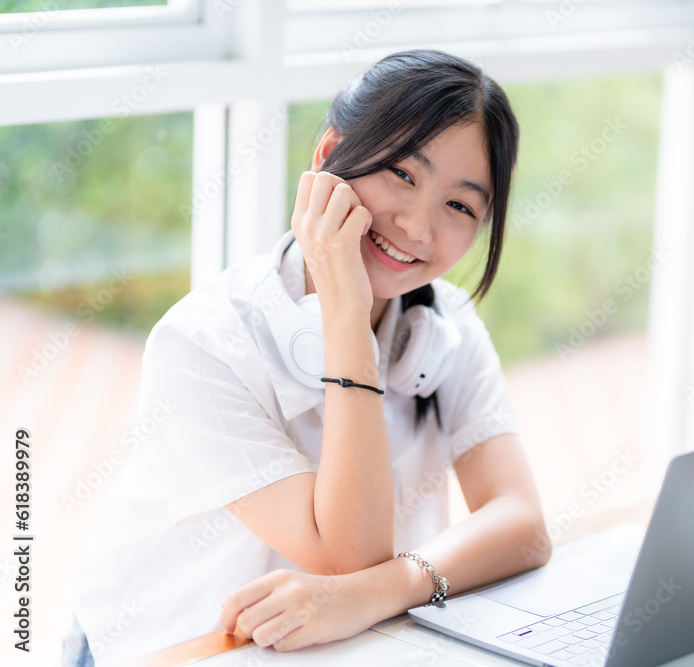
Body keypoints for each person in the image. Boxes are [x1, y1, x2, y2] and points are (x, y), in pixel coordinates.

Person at [67, 49, 551, 666]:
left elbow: (523, 524)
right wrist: (346, 313)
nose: (417, 226)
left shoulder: (444, 323)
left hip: (341, 644)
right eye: (402, 174)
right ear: (327, 158)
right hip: (171, 647)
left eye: (459, 206)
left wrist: (383, 591)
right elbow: (347, 553)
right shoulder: (201, 343)